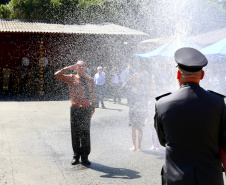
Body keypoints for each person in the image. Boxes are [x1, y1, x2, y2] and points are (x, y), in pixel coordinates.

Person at [154, 47, 226, 185]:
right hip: (209, 178)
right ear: (202, 75)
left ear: (177, 74)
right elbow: (224, 143)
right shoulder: (218, 103)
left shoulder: (162, 103)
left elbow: (163, 141)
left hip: (176, 179)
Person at [54, 60, 96, 165]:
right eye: (79, 66)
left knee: (85, 132)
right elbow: (57, 75)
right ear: (76, 68)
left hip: (86, 108)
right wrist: (69, 68)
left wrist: (93, 107)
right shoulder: (71, 78)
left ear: (86, 68)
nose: (81, 67)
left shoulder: (90, 80)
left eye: (83, 66)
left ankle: (85, 156)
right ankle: (76, 155)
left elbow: (93, 94)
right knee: (75, 132)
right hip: (75, 108)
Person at [126, 73, 147, 152]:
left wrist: (146, 111)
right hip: (132, 110)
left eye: (137, 78)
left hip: (140, 110)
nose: (136, 79)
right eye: (134, 78)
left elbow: (145, 100)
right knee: (133, 128)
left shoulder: (143, 88)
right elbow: (121, 89)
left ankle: (139, 146)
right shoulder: (129, 87)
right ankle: (134, 145)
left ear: (140, 79)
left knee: (140, 128)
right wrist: (128, 80)